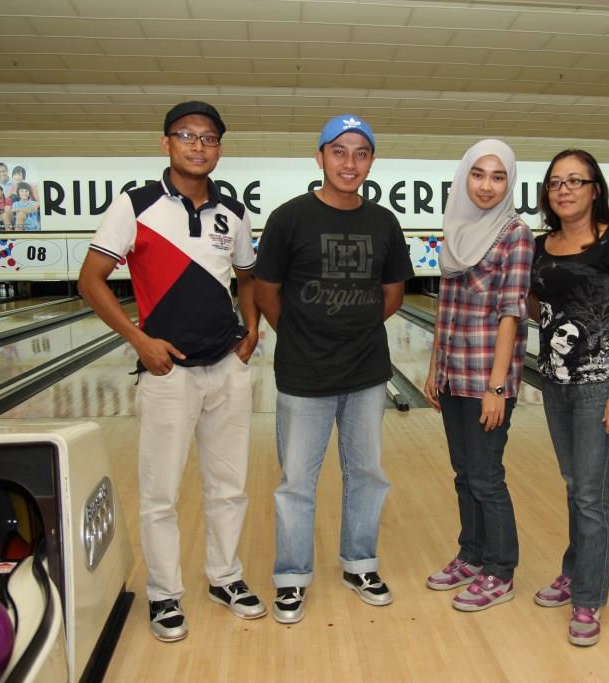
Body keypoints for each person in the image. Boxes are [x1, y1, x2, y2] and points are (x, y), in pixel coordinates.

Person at [78, 100, 264, 643]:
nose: (198, 145)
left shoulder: (233, 211)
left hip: (226, 366)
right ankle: (163, 594)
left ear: (219, 149)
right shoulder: (134, 204)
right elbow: (90, 280)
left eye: (209, 138)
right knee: (160, 493)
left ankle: (225, 578)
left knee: (229, 486)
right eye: (186, 135)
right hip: (167, 373)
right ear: (166, 143)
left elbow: (247, 277)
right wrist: (139, 340)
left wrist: (252, 330)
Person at [254, 114, 414, 624]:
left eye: (360, 153)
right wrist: (301, 334)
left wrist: (353, 328)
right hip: (303, 374)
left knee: (366, 473)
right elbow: (265, 291)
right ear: (320, 157)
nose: (350, 162)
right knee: (296, 481)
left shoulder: (384, 222)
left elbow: (393, 293)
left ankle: (360, 564)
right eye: (339, 151)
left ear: (371, 162)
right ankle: (292, 576)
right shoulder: (288, 218)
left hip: (366, 372)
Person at [529, 149, 609, 647]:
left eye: (575, 181)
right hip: (555, 381)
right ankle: (575, 569)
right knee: (575, 483)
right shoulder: (540, 245)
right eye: (556, 182)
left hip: (602, 386)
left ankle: (588, 598)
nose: (565, 190)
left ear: (595, 188)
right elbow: (538, 307)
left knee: (592, 494)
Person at [422, 139, 533, 612]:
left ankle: (500, 571)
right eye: (479, 174)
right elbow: (445, 305)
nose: (487, 185)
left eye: (498, 176)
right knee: (465, 473)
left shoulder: (515, 234)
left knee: (486, 476)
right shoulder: (456, 227)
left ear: (510, 182)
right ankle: (471, 555)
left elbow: (511, 313)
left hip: (488, 377)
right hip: (453, 374)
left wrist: (497, 387)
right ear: (464, 176)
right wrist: (434, 368)